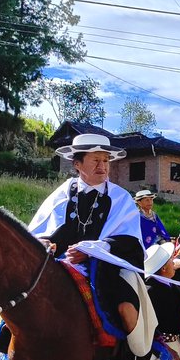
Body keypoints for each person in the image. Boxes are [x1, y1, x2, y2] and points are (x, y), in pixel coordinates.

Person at [28, 133, 144, 335]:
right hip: (59, 265)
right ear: (77, 164)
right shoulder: (62, 193)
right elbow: (44, 230)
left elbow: (129, 239)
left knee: (126, 307)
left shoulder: (120, 197)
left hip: (104, 269)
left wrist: (92, 251)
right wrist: (46, 243)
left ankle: (135, 358)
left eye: (106, 161)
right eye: (96, 160)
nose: (103, 166)